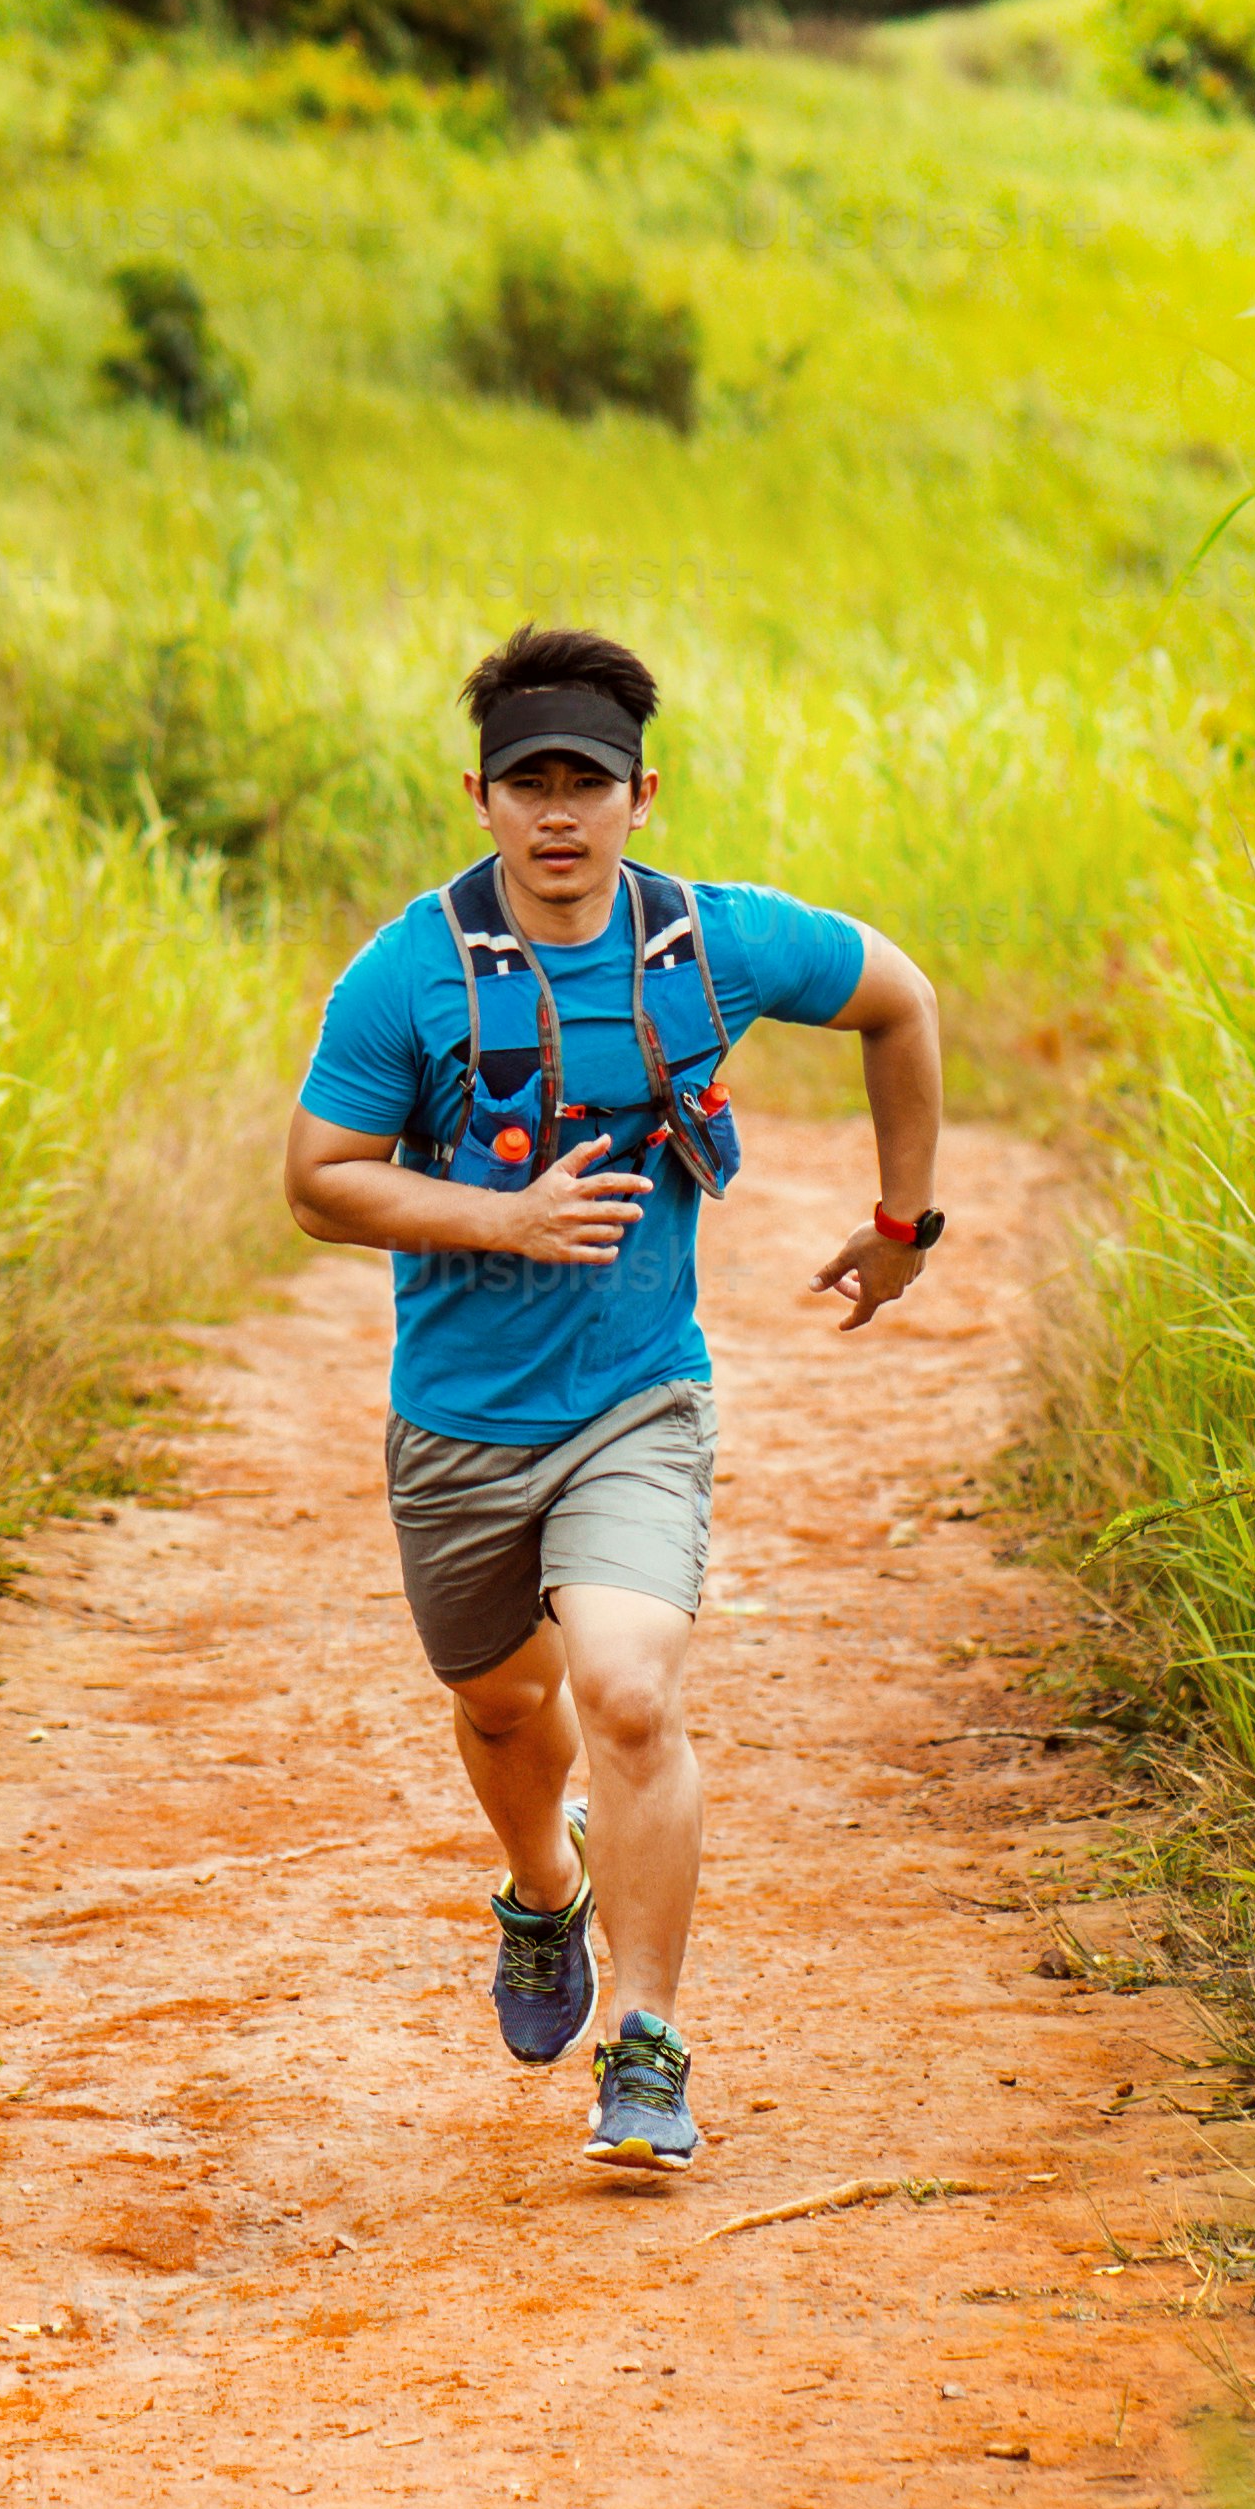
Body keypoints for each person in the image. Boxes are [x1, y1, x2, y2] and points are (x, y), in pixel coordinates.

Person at [280, 627, 946, 2167]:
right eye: (528, 784)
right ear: (480, 797)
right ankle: (542, 1888)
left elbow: (901, 998)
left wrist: (906, 1224)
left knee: (628, 1692)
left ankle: (644, 2048)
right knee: (504, 1703)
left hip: (638, 1401)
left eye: (587, 782)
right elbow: (316, 1182)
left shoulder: (712, 943)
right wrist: (501, 1218)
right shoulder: (409, 973)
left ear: (643, 795)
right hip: (458, 1425)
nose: (558, 813)